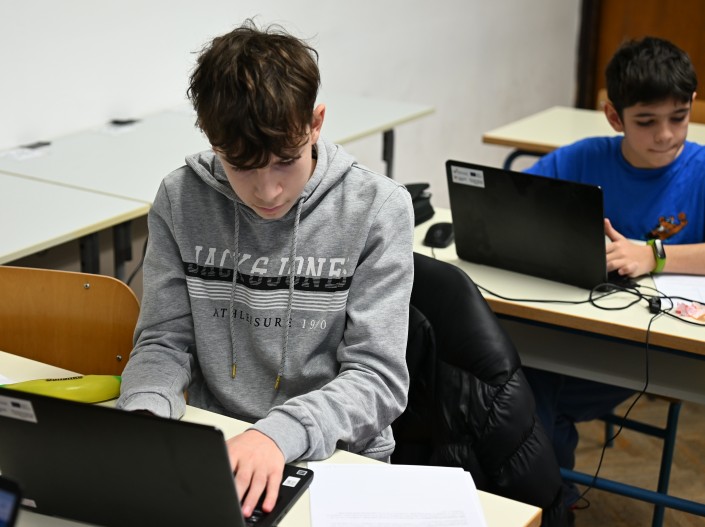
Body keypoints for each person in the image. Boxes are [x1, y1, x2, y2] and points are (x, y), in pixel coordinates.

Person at [116, 20, 414, 519]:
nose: (268, 191)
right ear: (211, 138)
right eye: (242, 166)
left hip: (336, 456)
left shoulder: (377, 208)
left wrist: (276, 435)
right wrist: (146, 411)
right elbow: (164, 341)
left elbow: (377, 378)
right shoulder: (180, 197)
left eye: (285, 161)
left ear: (315, 123)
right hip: (220, 446)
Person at [522, 35, 705, 513]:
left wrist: (654, 255)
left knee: (527, 397)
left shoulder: (701, 171)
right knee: (518, 383)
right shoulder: (584, 157)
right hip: (572, 326)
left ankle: (546, 504)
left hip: (649, 347)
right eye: (646, 121)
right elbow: (516, 202)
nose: (666, 135)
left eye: (679, 117)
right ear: (614, 116)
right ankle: (544, 500)